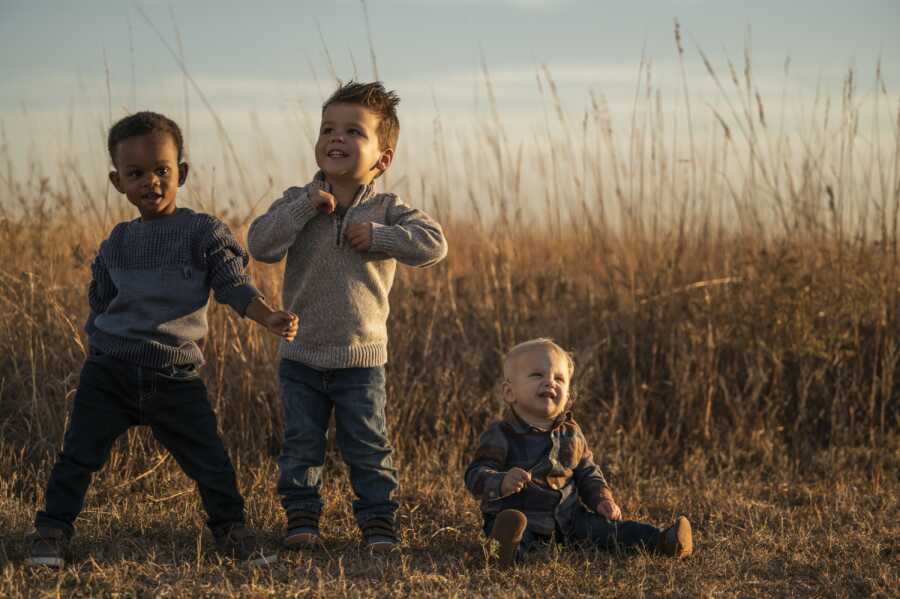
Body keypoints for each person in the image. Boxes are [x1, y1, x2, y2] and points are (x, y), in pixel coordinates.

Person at [26, 111, 298, 568]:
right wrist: (97, 347)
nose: (150, 182)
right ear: (118, 182)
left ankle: (231, 530)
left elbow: (232, 285)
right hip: (109, 371)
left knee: (209, 460)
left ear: (182, 173)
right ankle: (52, 531)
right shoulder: (118, 241)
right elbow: (101, 299)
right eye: (135, 174)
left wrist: (267, 316)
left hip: (173, 375)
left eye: (162, 171)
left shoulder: (203, 233)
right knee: (77, 455)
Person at [247, 81, 447, 552]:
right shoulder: (299, 200)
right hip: (301, 354)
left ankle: (379, 524)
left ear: (383, 157)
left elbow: (434, 244)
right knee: (301, 445)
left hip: (361, 358)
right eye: (328, 129)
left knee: (369, 447)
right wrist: (303, 208)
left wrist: (380, 236)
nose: (336, 138)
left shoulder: (389, 211)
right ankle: (302, 521)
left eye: (354, 131)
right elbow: (260, 244)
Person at [465, 338, 693, 568]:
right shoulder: (501, 434)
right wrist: (501, 481)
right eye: (537, 375)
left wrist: (601, 498)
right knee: (517, 534)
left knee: (613, 531)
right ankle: (504, 550)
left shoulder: (572, 433)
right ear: (509, 392)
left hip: (569, 519)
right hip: (522, 517)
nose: (549, 383)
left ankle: (665, 541)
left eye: (559, 379)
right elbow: (475, 474)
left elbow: (587, 472)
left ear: (567, 395)